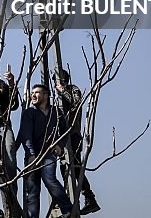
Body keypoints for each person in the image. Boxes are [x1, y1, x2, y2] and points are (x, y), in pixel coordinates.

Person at [16, 83, 73, 218]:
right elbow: (26, 135)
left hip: (48, 154)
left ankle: (67, 210)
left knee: (49, 179)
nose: (33, 95)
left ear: (46, 95)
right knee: (33, 191)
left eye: (37, 92)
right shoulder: (30, 113)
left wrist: (60, 145)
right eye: (32, 93)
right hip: (32, 155)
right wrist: (31, 155)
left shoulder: (56, 112)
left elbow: (65, 131)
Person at [56, 71, 101, 215]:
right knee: (65, 170)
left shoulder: (72, 89)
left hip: (73, 135)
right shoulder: (55, 98)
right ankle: (69, 202)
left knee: (74, 167)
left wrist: (63, 91)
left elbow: (76, 103)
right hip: (60, 138)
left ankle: (89, 198)